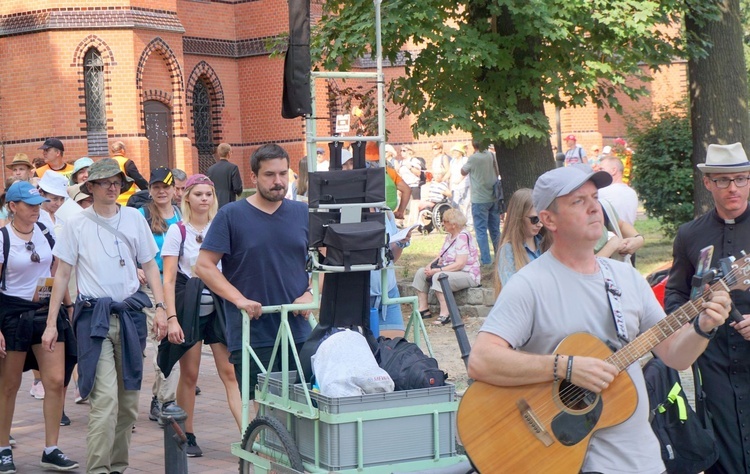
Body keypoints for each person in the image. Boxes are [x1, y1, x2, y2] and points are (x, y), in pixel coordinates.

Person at [468, 164, 731, 473]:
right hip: (570, 459)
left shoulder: (626, 278)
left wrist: (703, 326)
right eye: (578, 201)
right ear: (548, 219)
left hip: (641, 459)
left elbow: (675, 355)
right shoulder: (529, 284)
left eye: (594, 197)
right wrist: (565, 367)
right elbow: (481, 360)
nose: (595, 207)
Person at [43, 158, 167, 474]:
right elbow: (62, 274)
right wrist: (51, 324)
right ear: (91, 187)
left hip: (130, 318)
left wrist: (163, 309)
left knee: (127, 406)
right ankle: (98, 469)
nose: (113, 187)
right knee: (105, 402)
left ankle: (118, 467)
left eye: (117, 182)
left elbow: (150, 265)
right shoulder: (76, 224)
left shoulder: (134, 219)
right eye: (105, 182)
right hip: (94, 319)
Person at [195, 143, 313, 396]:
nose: (278, 181)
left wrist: (311, 293)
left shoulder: (303, 213)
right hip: (252, 332)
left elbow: (327, 260)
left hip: (298, 328)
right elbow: (204, 266)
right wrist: (239, 300)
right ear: (254, 177)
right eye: (269, 175)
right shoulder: (231, 215)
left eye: (283, 173)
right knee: (264, 407)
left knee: (306, 405)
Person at [665, 142, 750, 474]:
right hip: (713, 359)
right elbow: (675, 295)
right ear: (708, 183)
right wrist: (694, 325)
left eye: (741, 179)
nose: (733, 188)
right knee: (722, 449)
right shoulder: (689, 234)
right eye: (724, 181)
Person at [0, 181, 79, 473]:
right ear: (13, 207)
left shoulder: (45, 232)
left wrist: (68, 308)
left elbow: (57, 273)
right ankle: (3, 448)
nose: (36, 208)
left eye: (38, 203)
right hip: (12, 316)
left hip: (47, 313)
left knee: (56, 381)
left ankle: (51, 448)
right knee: (9, 385)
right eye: (29, 204)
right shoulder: (3, 238)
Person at [161, 174, 241, 457]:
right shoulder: (177, 231)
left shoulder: (221, 227)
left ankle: (247, 434)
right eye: (198, 194)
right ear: (187, 198)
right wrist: (171, 317)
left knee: (230, 371)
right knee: (190, 374)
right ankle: (188, 434)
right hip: (191, 307)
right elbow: (168, 279)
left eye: (209, 194)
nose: (204, 199)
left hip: (219, 307)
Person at [342, 152, 412, 338]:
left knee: (393, 348)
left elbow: (391, 258)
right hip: (358, 293)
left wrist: (401, 243)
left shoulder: (385, 212)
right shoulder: (347, 212)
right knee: (363, 352)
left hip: (387, 290)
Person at [138, 167, 182, 426]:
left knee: (173, 340)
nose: (161, 191)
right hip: (152, 288)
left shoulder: (181, 215)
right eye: (156, 187)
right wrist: (135, 268)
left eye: (166, 186)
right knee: (165, 340)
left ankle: (159, 398)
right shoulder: (142, 215)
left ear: (174, 189)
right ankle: (167, 402)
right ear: (150, 190)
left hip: (178, 287)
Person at [413, 208, 480, 326]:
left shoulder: (463, 237)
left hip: (467, 273)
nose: (442, 223)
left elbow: (460, 263)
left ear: (453, 224)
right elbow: (441, 255)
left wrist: (437, 270)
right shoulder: (450, 236)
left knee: (440, 276)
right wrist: (429, 265)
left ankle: (446, 314)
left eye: (445, 221)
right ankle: (423, 309)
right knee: (420, 272)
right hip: (450, 269)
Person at [495, 188, 546, 295]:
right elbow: (511, 292)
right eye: (534, 219)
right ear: (518, 217)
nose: (540, 224)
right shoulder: (508, 250)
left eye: (542, 218)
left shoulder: (545, 244)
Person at [461, 141, 501, 265]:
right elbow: (497, 171)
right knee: (495, 229)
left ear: (474, 145)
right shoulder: (491, 155)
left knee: (481, 230)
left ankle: (486, 260)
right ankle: (499, 257)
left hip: (479, 199)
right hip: (493, 197)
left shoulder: (473, 158)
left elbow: (463, 171)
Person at [597, 155, 638, 226]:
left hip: (609, 236)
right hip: (629, 235)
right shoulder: (632, 193)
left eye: (601, 169)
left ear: (613, 170)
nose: (598, 172)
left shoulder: (602, 192)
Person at [110, 141, 149, 206]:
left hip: (113, 201)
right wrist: (148, 189)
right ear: (122, 150)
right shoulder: (127, 162)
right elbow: (138, 179)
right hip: (127, 201)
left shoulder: (109, 163)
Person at [207, 143, 243, 209]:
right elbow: (237, 188)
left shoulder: (210, 169)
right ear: (229, 153)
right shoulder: (233, 168)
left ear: (218, 153)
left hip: (214, 203)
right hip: (228, 201)